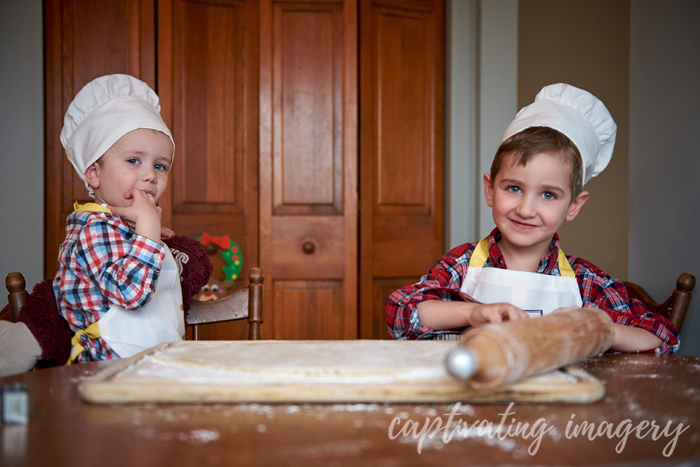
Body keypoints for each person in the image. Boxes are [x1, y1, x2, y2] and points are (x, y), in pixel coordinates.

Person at [385, 83, 679, 354]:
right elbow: (402, 311)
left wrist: (593, 327)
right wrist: (472, 313)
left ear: (574, 206)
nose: (526, 209)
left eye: (548, 195)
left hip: (560, 410)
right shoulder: (461, 265)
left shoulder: (586, 283)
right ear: (490, 189)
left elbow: (663, 338)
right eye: (514, 188)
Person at [53, 74, 184, 363]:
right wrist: (147, 232)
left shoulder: (120, 228)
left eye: (160, 165)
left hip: (150, 364)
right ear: (94, 173)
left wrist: (144, 232)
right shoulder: (93, 230)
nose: (150, 174)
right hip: (110, 369)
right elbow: (131, 295)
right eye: (133, 160)